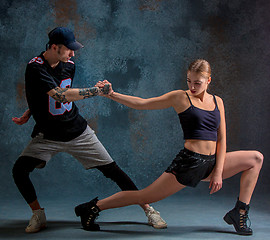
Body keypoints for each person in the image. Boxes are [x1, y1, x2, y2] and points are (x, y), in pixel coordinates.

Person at [74, 59, 264, 236]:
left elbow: (222, 139)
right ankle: (92, 207)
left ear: (208, 81)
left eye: (198, 83)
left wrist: (218, 171)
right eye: (189, 81)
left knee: (255, 159)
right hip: (189, 163)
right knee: (145, 196)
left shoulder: (217, 101)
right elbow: (143, 104)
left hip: (212, 163)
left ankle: (239, 212)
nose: (192, 86)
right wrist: (112, 94)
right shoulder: (180, 97)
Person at [12, 27, 167, 233]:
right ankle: (37, 213)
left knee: (114, 171)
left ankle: (148, 209)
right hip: (47, 135)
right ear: (54, 47)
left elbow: (53, 95)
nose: (73, 54)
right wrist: (96, 91)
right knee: (19, 170)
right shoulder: (35, 67)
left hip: (76, 130)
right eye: (69, 49)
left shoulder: (69, 65)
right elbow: (59, 95)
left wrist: (30, 111)